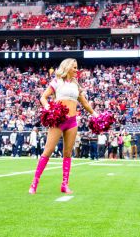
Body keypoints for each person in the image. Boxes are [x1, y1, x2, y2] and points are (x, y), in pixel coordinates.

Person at [31, 58, 95, 194]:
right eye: (75, 67)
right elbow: (43, 97)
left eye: (77, 68)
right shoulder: (57, 81)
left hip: (72, 121)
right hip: (58, 120)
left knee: (67, 153)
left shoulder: (76, 85)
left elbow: (85, 103)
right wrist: (50, 109)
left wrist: (95, 115)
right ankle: (34, 183)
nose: (77, 70)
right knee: (48, 151)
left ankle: (64, 184)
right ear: (67, 67)